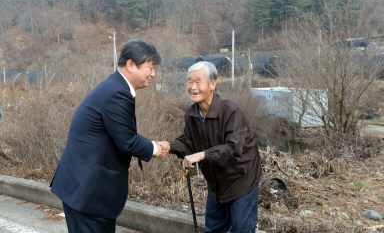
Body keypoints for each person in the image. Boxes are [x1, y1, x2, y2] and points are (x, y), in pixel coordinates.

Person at [50, 40, 170, 233]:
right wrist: (155, 148)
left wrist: (149, 145)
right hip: (89, 193)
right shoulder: (117, 93)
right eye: (151, 68)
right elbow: (128, 141)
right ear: (131, 64)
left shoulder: (114, 87)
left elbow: (121, 135)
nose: (153, 74)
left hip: (83, 188)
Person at [170, 61, 262, 233]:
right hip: (216, 183)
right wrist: (167, 146)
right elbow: (188, 142)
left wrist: (201, 155)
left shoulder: (230, 111)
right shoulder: (192, 114)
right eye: (190, 81)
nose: (192, 87)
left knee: (241, 229)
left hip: (241, 179)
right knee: (213, 229)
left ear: (213, 84)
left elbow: (233, 148)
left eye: (198, 81)